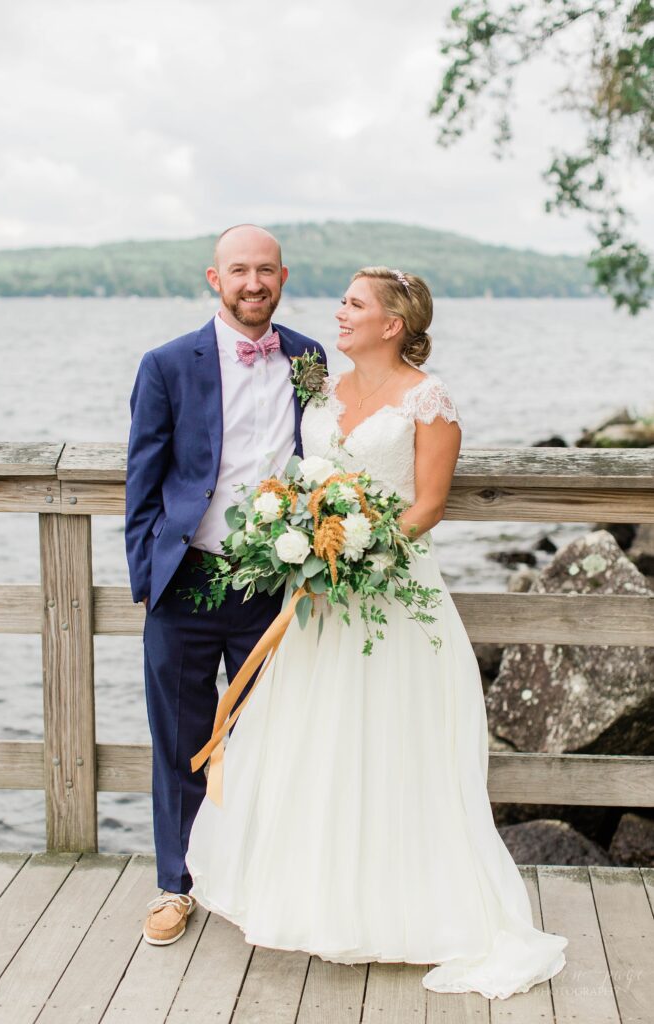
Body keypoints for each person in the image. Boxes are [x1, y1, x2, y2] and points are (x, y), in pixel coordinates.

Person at [185, 266, 568, 999]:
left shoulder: (429, 399)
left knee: (393, 743)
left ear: (393, 324)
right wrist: (297, 532)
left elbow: (427, 503)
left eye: (354, 304)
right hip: (322, 601)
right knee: (319, 740)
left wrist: (362, 549)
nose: (339, 312)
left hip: (391, 593)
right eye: (343, 302)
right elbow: (302, 480)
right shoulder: (322, 390)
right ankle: (323, 902)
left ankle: (408, 909)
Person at [124, 224, 326, 946]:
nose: (252, 283)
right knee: (179, 739)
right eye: (238, 271)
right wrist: (145, 579)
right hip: (185, 583)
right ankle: (174, 886)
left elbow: (320, 455)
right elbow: (141, 483)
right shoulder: (166, 364)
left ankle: (255, 879)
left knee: (270, 738)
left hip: (271, 587)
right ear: (215, 279)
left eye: (264, 271)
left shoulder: (308, 358)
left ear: (282, 276)